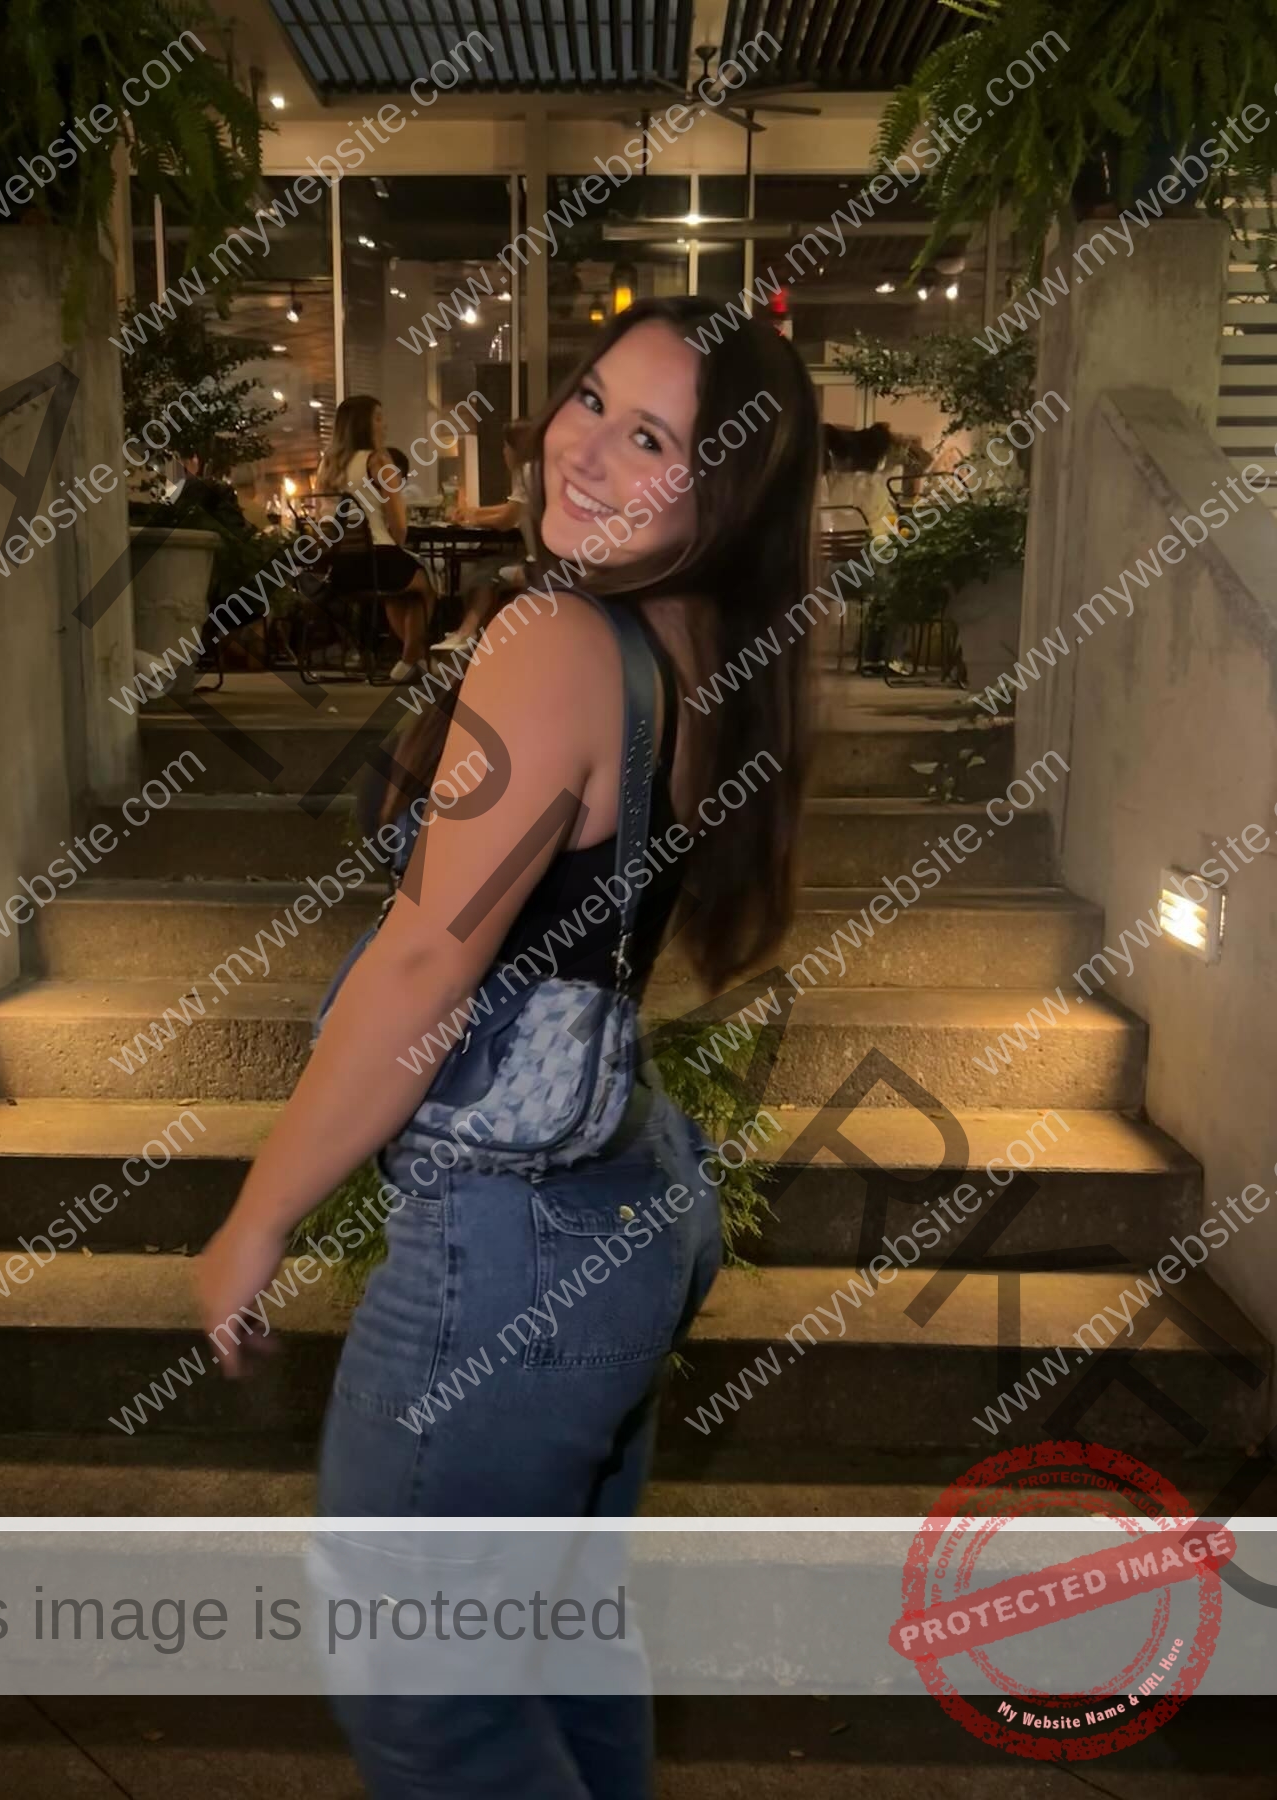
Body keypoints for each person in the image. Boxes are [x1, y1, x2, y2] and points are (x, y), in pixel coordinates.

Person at [194, 295, 821, 1795]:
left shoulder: (560, 637)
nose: (583, 449)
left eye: (650, 436)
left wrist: (254, 1218)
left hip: (517, 1247)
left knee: (424, 1686)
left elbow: (425, 964)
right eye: (591, 399)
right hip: (630, 1200)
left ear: (721, 490)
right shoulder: (700, 645)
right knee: (555, 1643)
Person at [316, 396, 437, 681]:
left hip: (339, 568)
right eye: (379, 418)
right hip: (377, 558)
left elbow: (322, 516)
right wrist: (399, 541)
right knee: (427, 587)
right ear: (364, 424)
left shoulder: (328, 465)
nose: (385, 424)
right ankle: (408, 661)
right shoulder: (379, 461)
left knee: (399, 595)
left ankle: (414, 661)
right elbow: (398, 523)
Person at [434, 418, 534, 652]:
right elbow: (512, 507)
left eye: (505, 447)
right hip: (556, 561)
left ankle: (467, 635)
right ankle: (470, 636)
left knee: (486, 570)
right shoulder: (538, 469)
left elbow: (505, 520)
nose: (503, 452)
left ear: (514, 449)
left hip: (542, 566)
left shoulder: (527, 471)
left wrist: (471, 518)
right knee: (488, 566)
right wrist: (473, 512)